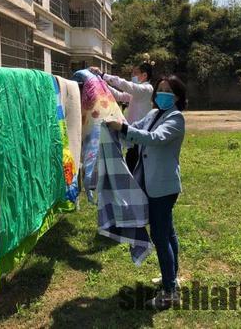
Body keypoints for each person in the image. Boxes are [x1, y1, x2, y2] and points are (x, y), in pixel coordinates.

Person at [106, 75, 187, 309]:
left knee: (161, 237)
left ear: (178, 96)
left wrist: (122, 128)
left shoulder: (176, 118)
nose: (162, 93)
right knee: (168, 233)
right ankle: (171, 277)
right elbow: (135, 129)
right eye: (160, 89)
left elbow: (154, 138)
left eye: (168, 90)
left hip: (162, 187)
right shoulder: (153, 114)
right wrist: (116, 124)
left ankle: (170, 291)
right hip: (152, 183)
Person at [89, 62, 154, 171]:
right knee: (132, 160)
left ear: (144, 75)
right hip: (133, 134)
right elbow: (120, 96)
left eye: (135, 73)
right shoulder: (138, 92)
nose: (133, 76)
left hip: (140, 135)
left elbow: (127, 85)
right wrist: (105, 86)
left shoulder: (146, 89)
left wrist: (103, 75)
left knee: (136, 165)